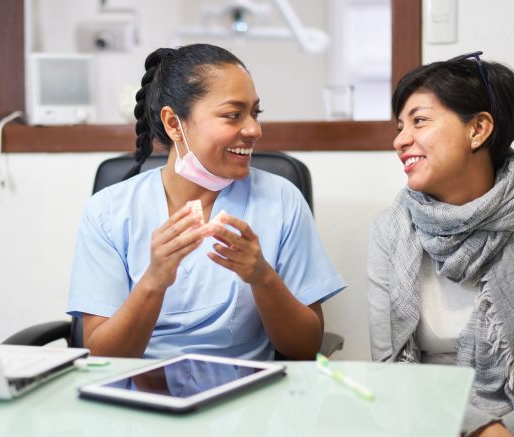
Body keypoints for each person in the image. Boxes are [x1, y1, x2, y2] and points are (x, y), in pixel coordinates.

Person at [67, 43, 345, 361]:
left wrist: (262, 277)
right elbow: (102, 354)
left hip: (247, 394)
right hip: (141, 393)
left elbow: (305, 346)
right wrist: (153, 281)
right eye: (232, 115)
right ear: (174, 124)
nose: (255, 129)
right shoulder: (109, 211)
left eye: (255, 113)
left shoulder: (281, 200)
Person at [367, 52, 514, 437]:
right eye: (400, 126)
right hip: (423, 422)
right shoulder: (389, 232)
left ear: (478, 129)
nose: (399, 140)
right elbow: (390, 371)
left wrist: (504, 432)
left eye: (419, 121)